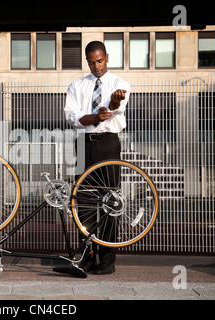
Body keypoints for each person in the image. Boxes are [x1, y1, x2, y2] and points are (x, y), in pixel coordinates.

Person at [64, 41, 130, 275]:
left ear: (107, 58)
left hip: (108, 145)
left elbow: (115, 106)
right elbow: (73, 118)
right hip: (83, 146)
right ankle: (87, 257)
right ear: (87, 61)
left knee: (110, 202)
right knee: (84, 204)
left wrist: (111, 105)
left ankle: (107, 260)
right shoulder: (76, 85)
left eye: (99, 61)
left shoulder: (120, 85)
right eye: (91, 62)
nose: (96, 66)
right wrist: (96, 117)